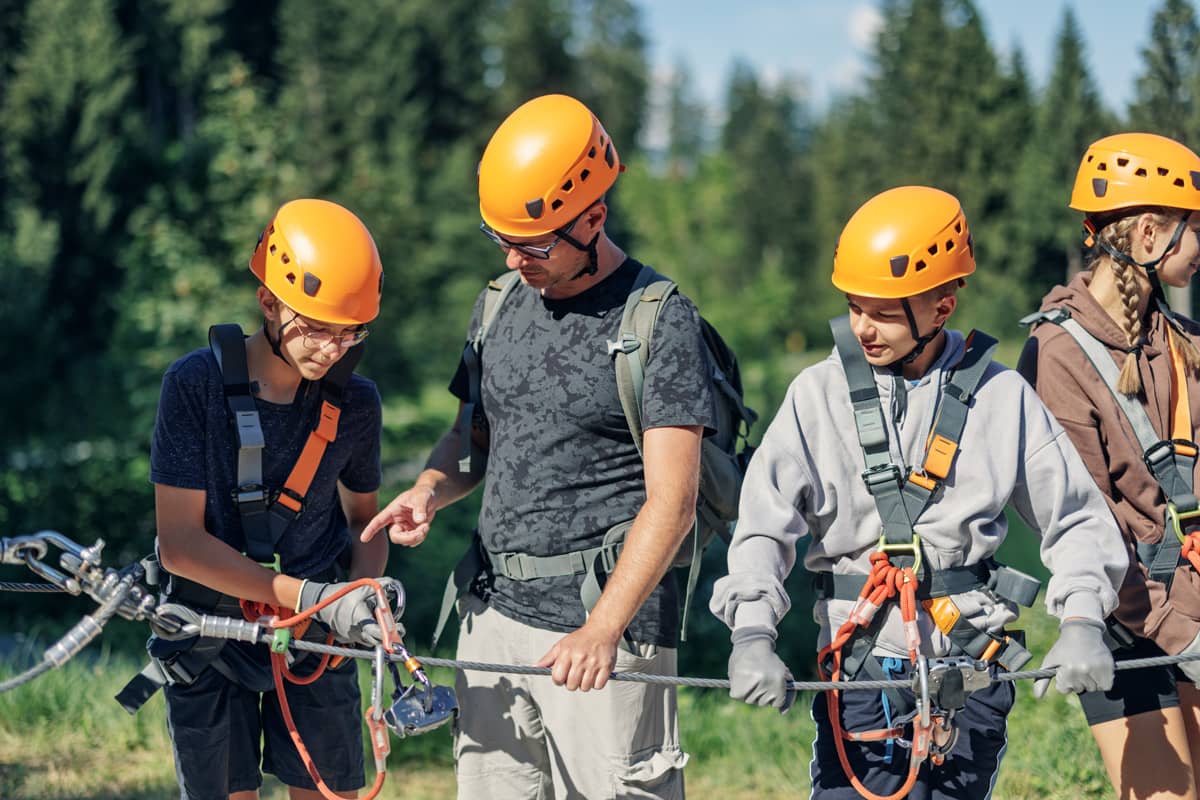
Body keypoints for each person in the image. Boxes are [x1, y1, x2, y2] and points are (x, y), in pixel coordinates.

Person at [711, 185, 1128, 799]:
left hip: (969, 673)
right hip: (858, 673)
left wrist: (1083, 620)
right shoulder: (817, 396)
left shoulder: (1001, 396)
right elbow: (763, 526)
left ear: (943, 304)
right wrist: (751, 633)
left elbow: (1074, 518)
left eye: (882, 311)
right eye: (855, 306)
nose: (862, 327)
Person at [361, 93, 715, 799]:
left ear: (593, 217)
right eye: (503, 241)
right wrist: (430, 489)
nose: (518, 259)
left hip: (604, 635)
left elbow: (673, 504)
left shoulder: (659, 320)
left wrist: (603, 628)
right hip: (491, 624)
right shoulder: (498, 303)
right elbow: (474, 438)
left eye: (536, 244)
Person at [147, 198, 396, 800]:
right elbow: (179, 545)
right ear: (268, 302)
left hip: (318, 639)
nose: (333, 349)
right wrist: (310, 599)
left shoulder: (355, 404)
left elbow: (366, 521)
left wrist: (362, 603)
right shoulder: (194, 386)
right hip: (208, 628)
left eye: (351, 333)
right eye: (316, 328)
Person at [1020, 132, 1200, 799]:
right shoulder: (1056, 358)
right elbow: (1080, 521)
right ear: (1151, 233)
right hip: (1127, 623)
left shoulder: (1180, 340)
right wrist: (1176, 628)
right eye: (1196, 230)